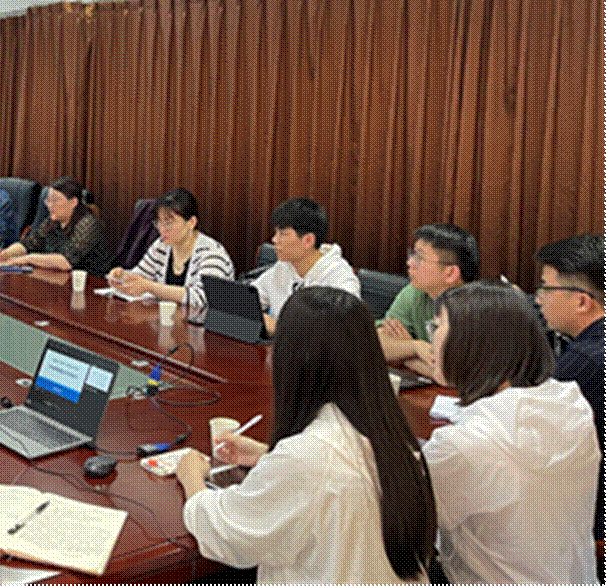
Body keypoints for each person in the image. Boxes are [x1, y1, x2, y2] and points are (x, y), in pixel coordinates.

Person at [175, 286, 435, 583]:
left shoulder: (306, 459)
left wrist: (191, 478)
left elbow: (227, 534)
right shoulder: (392, 434)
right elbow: (338, 472)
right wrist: (267, 455)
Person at [424, 281, 598, 583]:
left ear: (471, 342)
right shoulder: (572, 407)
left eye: (437, 327)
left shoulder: (463, 444)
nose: (431, 341)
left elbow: (404, 522)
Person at [535, 234, 605, 541]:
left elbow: (542, 443)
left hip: (590, 515)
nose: (538, 299)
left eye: (546, 288)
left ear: (581, 301)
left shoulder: (586, 362)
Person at [378, 223, 480, 383]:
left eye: (419, 258)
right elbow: (375, 344)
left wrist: (405, 355)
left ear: (450, 273)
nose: (409, 262)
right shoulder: (415, 292)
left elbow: (453, 377)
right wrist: (415, 347)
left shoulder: (477, 307)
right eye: (412, 254)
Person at [108, 188, 233, 309]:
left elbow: (202, 298)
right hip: (167, 319)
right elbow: (141, 275)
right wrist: (122, 277)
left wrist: (150, 287)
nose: (162, 229)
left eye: (168, 222)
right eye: (159, 222)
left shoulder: (212, 253)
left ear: (191, 222)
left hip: (203, 322)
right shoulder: (162, 245)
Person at [251, 197, 359, 334]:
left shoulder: (340, 279)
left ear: (308, 240)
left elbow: (340, 334)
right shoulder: (284, 266)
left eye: (282, 234)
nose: (274, 239)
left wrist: (278, 327)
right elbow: (247, 301)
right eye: (276, 232)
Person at [0, 177, 111, 276]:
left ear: (73, 202)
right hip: (58, 278)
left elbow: (66, 262)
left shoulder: (87, 224)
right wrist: (6, 253)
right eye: (48, 200)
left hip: (89, 284)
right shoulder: (53, 220)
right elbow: (29, 243)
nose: (50, 205)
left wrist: (28, 259)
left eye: (55, 200)